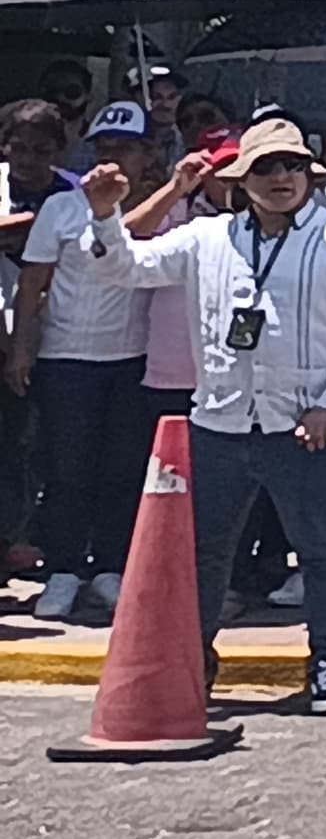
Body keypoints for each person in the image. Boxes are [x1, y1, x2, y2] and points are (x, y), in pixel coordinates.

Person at [74, 120, 326, 715]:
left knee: (325, 550)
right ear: (240, 179)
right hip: (221, 420)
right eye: (266, 168)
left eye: (291, 167)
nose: (280, 178)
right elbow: (121, 268)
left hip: (305, 423)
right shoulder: (207, 238)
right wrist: (103, 215)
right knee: (202, 553)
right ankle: (191, 660)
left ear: (309, 174)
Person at [15, 103, 162, 624]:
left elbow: (138, 240)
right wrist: (21, 349)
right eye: (102, 149)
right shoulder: (60, 207)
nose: (111, 158)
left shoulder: (162, 208)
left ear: (148, 154)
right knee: (67, 468)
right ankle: (63, 569)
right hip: (67, 356)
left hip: (132, 358)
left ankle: (111, 566)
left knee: (122, 468)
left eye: (123, 148)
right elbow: (33, 283)